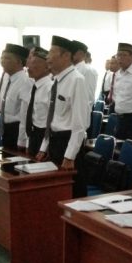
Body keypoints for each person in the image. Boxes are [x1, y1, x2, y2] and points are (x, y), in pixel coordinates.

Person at [36, 36, 90, 198]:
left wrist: (69, 156)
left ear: (66, 56)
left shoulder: (77, 80)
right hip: (54, 141)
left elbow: (80, 124)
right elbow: (51, 119)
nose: (47, 57)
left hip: (68, 144)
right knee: (56, 192)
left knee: (73, 194)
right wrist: (44, 147)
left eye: (52, 52)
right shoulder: (56, 80)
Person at [0, 44, 32, 150]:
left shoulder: (25, 81)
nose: (2, 61)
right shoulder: (6, 78)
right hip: (4, 127)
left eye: (7, 58)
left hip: (16, 129)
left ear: (19, 62)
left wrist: (22, 140)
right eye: (2, 57)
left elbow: (24, 115)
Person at [21, 47, 51, 156]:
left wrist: (43, 149)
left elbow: (51, 123)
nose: (29, 66)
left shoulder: (50, 88)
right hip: (33, 137)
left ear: (47, 67)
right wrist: (28, 143)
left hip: (43, 139)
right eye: (29, 62)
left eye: (35, 63)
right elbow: (31, 117)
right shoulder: (35, 87)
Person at [72, 40, 99, 108]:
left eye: (72, 51)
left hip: (80, 111)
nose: (70, 54)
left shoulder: (88, 70)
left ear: (81, 54)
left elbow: (88, 98)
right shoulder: (72, 68)